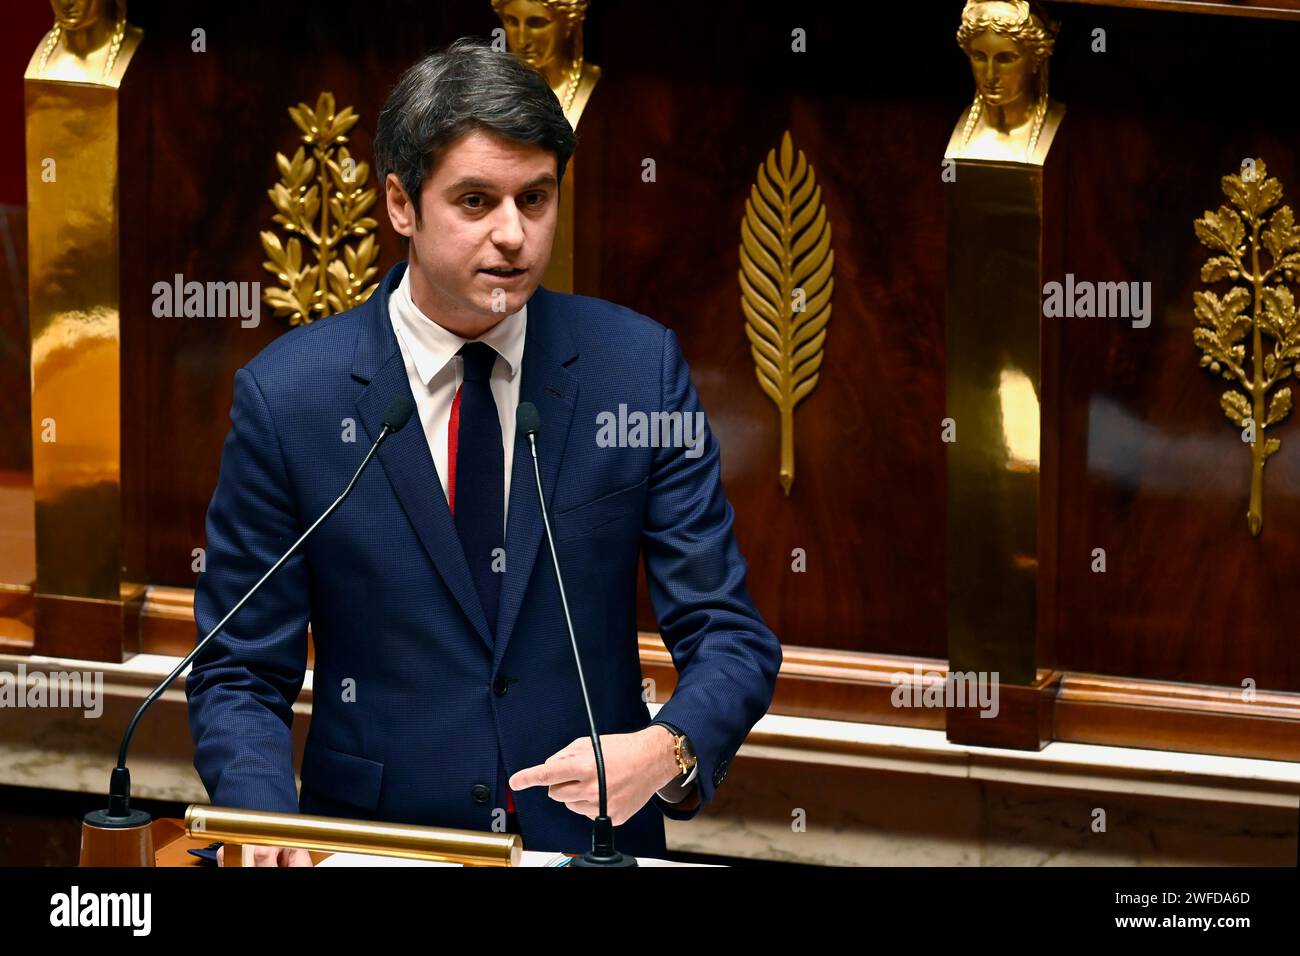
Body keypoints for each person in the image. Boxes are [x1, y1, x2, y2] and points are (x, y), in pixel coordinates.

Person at [186, 36, 781, 866]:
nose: (513, 236)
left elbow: (729, 633)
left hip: (586, 845)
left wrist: (668, 747)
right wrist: (264, 820)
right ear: (401, 204)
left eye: (534, 200)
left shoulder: (635, 372)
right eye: (476, 201)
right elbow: (239, 672)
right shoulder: (292, 398)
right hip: (370, 847)